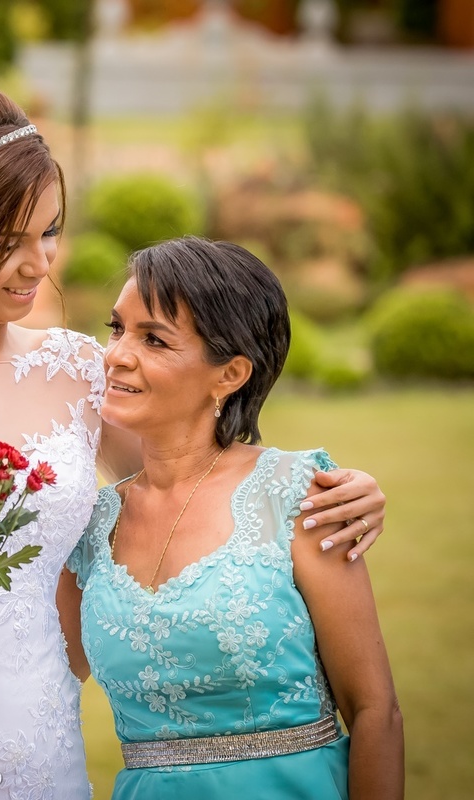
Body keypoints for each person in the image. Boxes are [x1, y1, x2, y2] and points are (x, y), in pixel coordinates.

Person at [0, 62, 386, 799]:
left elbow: (204, 478)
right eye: (5, 241)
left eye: (49, 230)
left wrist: (342, 489)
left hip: (33, 750)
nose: (39, 262)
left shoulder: (81, 374)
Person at [62, 237, 403, 798]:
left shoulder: (300, 496)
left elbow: (375, 711)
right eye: (117, 328)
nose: (116, 354)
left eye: (154, 339)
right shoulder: (92, 525)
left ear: (230, 374)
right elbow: (47, 674)